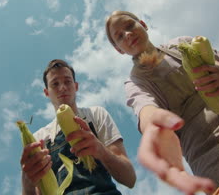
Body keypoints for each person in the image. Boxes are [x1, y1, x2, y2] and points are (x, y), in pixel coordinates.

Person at [105, 11, 219, 195]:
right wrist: (153, 125)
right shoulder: (135, 82)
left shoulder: (183, 44)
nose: (127, 34)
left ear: (143, 24)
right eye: (119, 36)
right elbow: (145, 109)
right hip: (211, 156)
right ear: (119, 49)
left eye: (129, 26)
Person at [20, 59, 136, 194]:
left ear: (76, 86)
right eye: (55, 84)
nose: (62, 87)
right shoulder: (40, 137)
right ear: (47, 92)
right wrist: (27, 183)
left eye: (67, 81)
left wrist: (101, 151)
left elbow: (129, 178)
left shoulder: (96, 115)